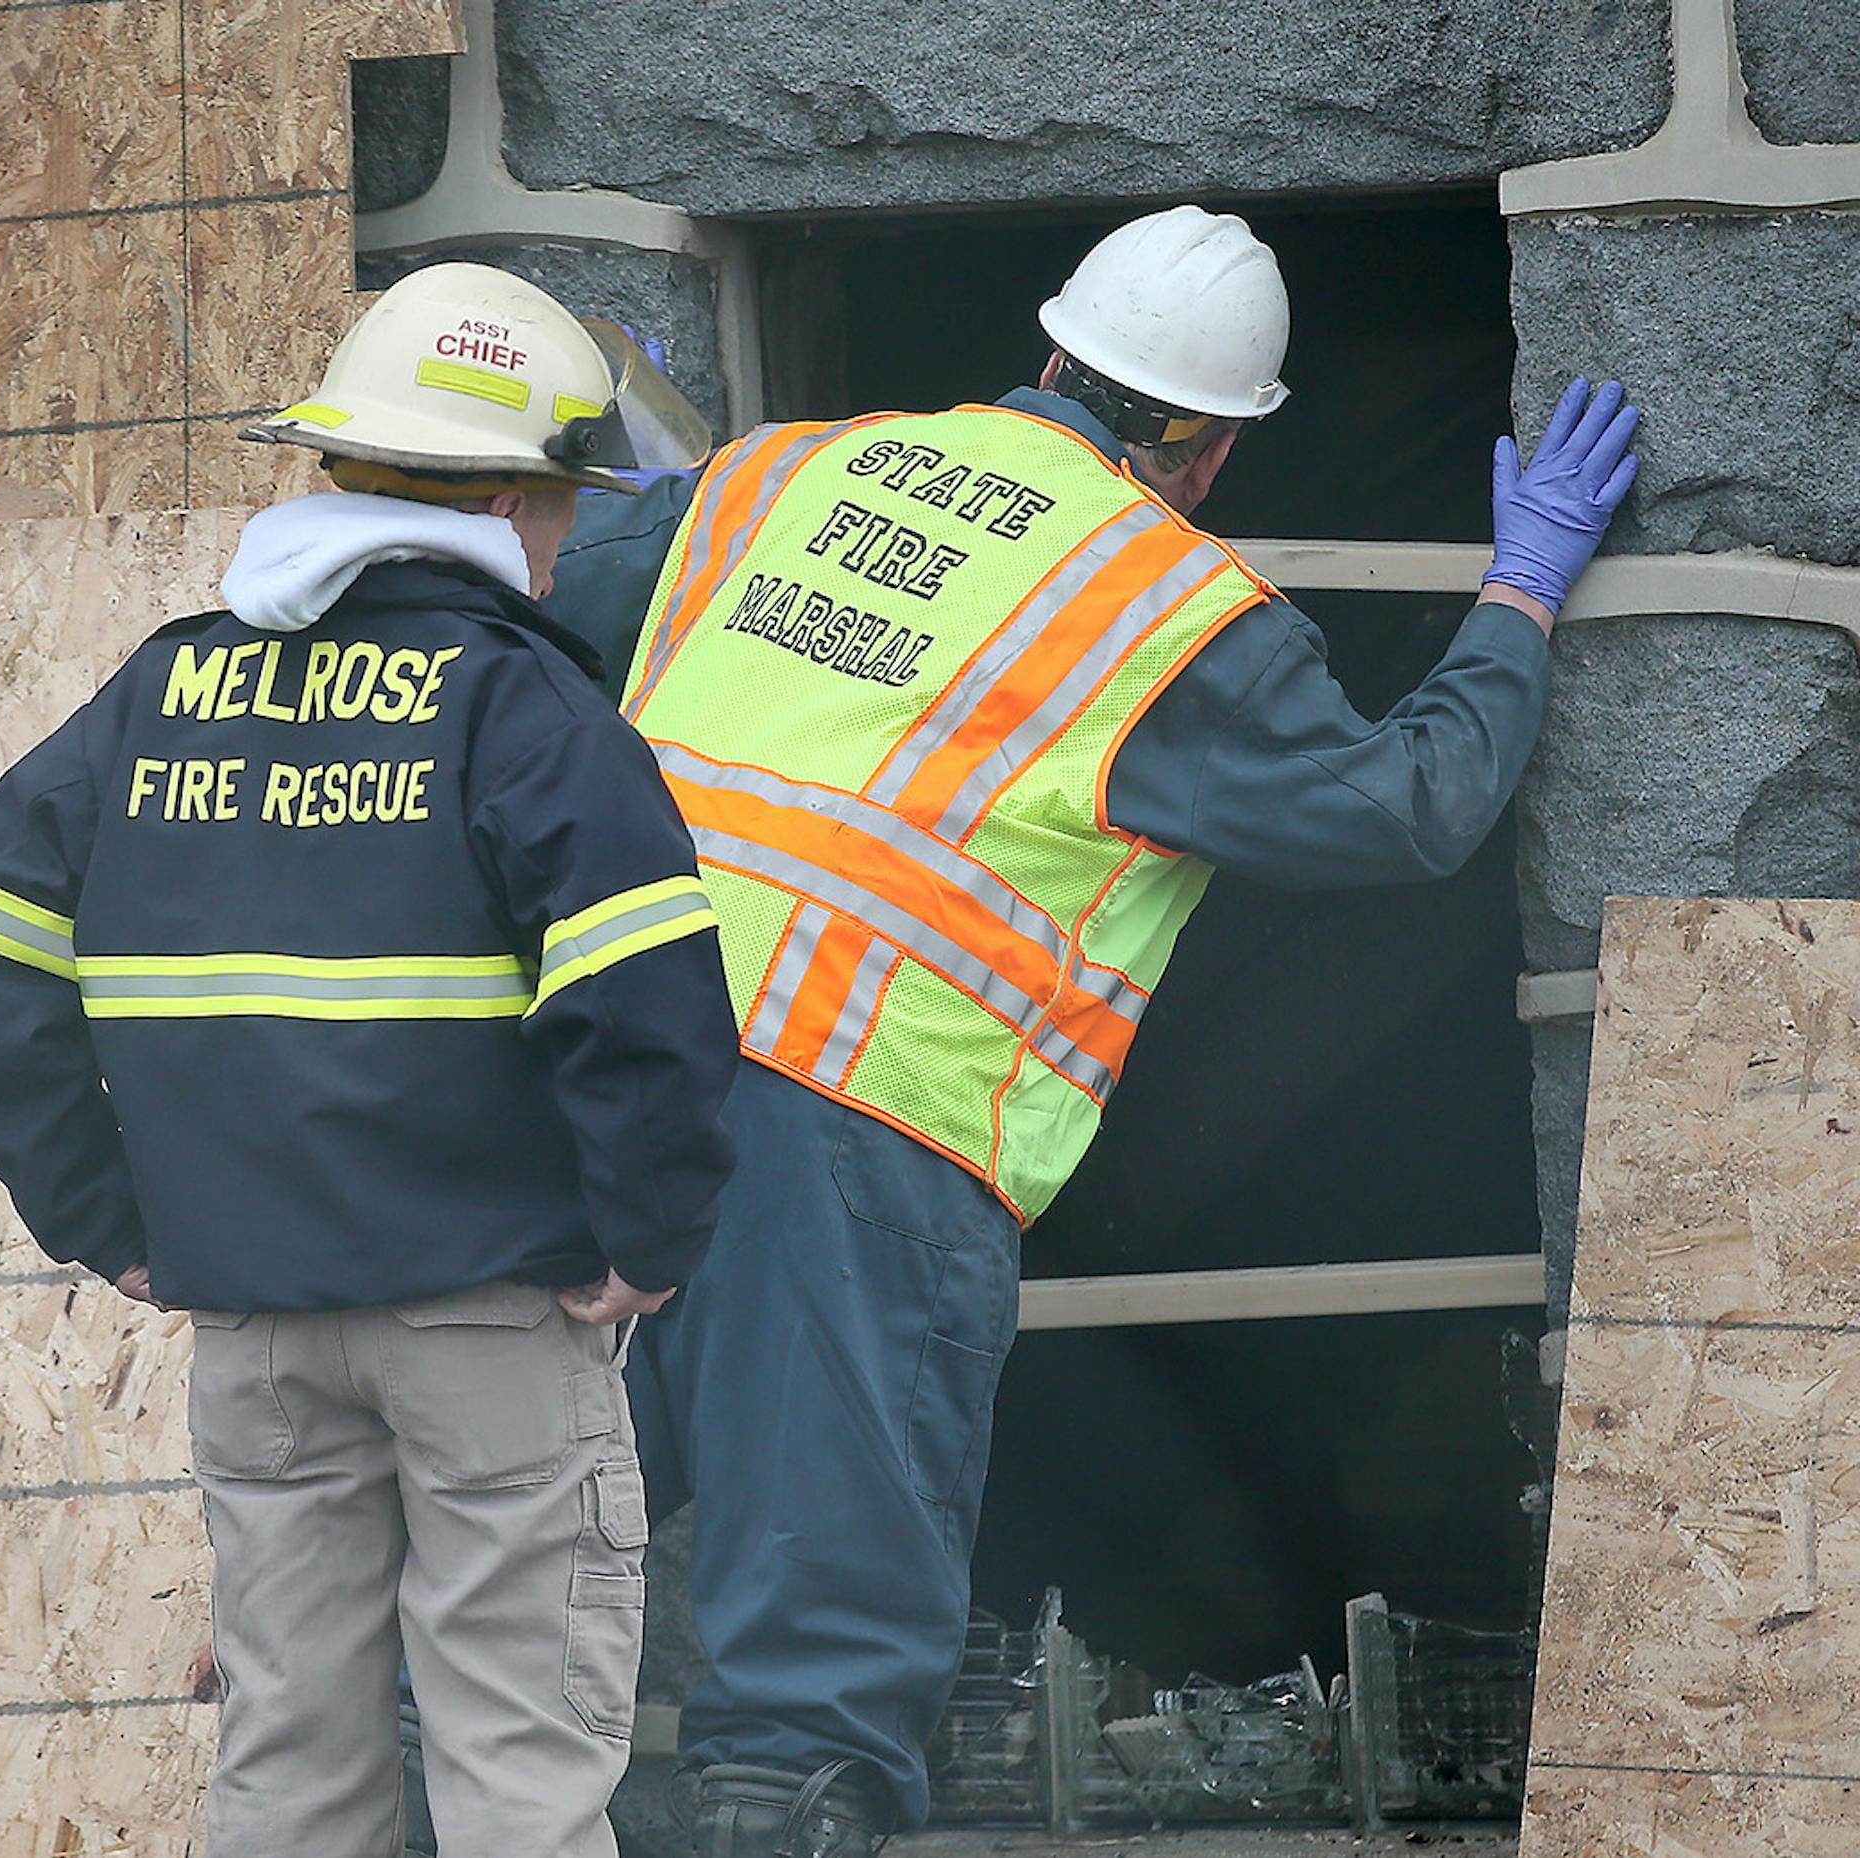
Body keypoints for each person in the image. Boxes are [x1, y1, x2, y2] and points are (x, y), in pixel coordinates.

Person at [539, 205, 1640, 1855]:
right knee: (806, 1715)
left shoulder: (781, 476)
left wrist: (620, 461)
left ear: (1050, 352)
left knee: (489, 1592)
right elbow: (1410, 807)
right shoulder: (1174, 613)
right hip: (852, 1133)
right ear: (1208, 448)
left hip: (585, 1088)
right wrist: (1521, 593)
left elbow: (550, 578)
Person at [0, 262, 741, 1858]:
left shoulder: (155, 694)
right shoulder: (529, 712)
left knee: (293, 1763)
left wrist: (118, 1221)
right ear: (512, 502)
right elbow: (649, 1010)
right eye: (565, 503)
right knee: (517, 1758)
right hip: (496, 1321)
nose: (568, 539)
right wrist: (650, 1238)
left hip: (255, 1330)